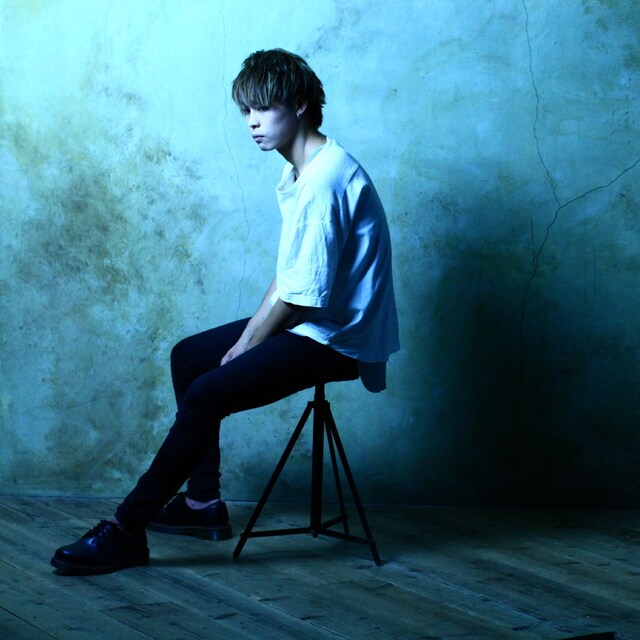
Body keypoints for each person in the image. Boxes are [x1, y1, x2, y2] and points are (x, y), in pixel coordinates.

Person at [51, 48, 400, 575]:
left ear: (299, 104)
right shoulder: (304, 170)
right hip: (315, 319)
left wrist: (248, 346)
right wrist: (246, 341)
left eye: (264, 108)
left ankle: (125, 529)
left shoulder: (325, 180)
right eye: (246, 111)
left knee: (207, 392)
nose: (253, 122)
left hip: (339, 337)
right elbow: (291, 275)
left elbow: (302, 296)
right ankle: (201, 503)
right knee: (190, 358)